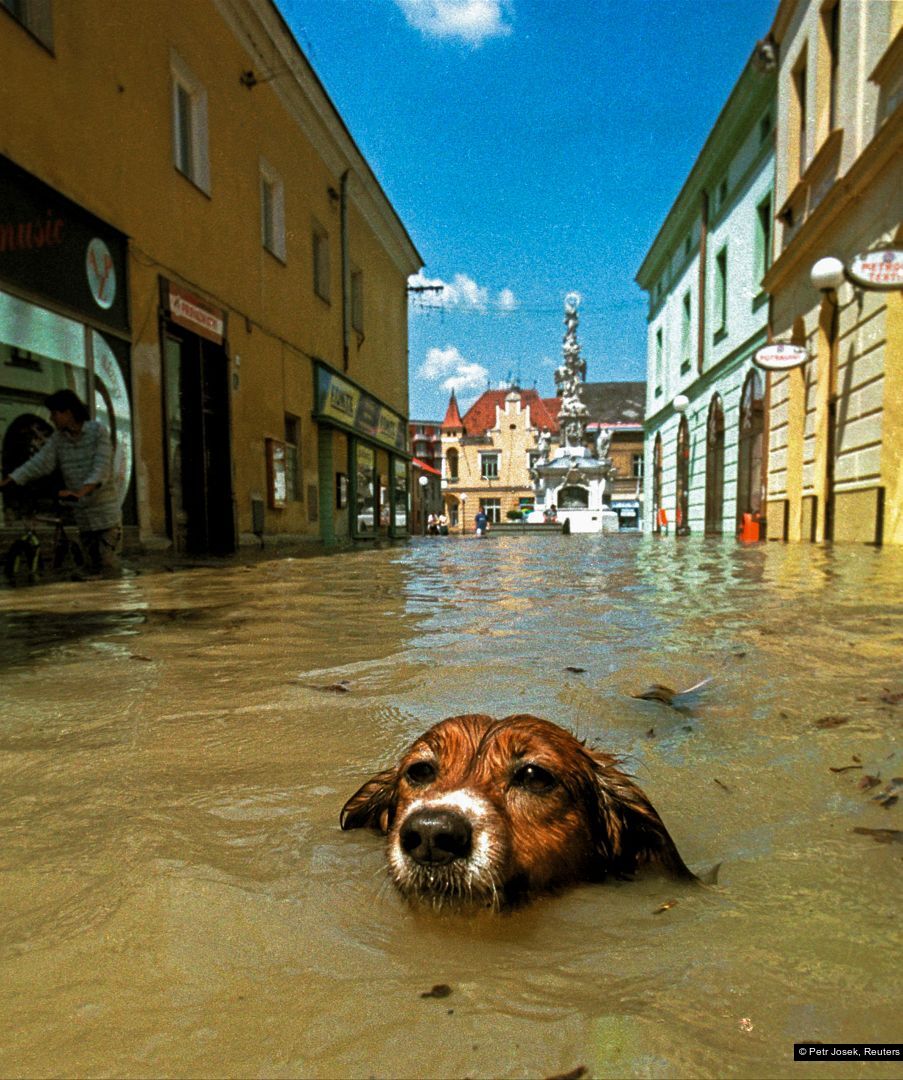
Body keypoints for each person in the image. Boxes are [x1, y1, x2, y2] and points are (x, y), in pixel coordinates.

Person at [0, 389, 121, 575]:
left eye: (55, 413)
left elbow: (101, 468)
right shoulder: (58, 439)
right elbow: (40, 463)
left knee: (107, 566)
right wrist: (12, 479)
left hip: (105, 516)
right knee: (91, 568)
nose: (51, 418)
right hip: (84, 518)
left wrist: (81, 492)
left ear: (68, 413)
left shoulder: (97, 432)